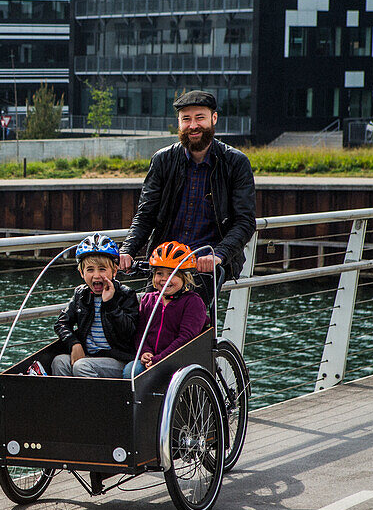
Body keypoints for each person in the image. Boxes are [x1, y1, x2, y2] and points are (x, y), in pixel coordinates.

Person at [118, 90, 256, 302]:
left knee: (191, 326)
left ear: (214, 118)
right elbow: (145, 214)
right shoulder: (163, 160)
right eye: (186, 119)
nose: (193, 125)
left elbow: (244, 221)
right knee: (148, 320)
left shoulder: (235, 163)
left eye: (200, 118)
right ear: (179, 123)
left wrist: (218, 255)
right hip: (164, 261)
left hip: (206, 264)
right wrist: (127, 250)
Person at [52, 233, 140, 378]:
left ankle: (95, 400)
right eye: (90, 270)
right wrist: (74, 343)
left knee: (82, 366)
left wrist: (110, 303)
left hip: (118, 359)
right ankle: (67, 400)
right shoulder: (81, 294)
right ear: (81, 273)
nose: (96, 275)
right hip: (88, 355)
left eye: (102, 269)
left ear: (114, 271)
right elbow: (61, 323)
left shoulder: (126, 295)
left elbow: (129, 331)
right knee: (59, 361)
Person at [123, 241, 210, 379]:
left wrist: (159, 359)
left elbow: (186, 338)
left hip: (178, 361)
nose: (164, 279)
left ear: (185, 277)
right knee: (131, 370)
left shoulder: (193, 302)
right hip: (153, 359)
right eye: (159, 273)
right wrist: (145, 352)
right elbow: (141, 331)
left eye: (171, 274)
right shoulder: (149, 299)